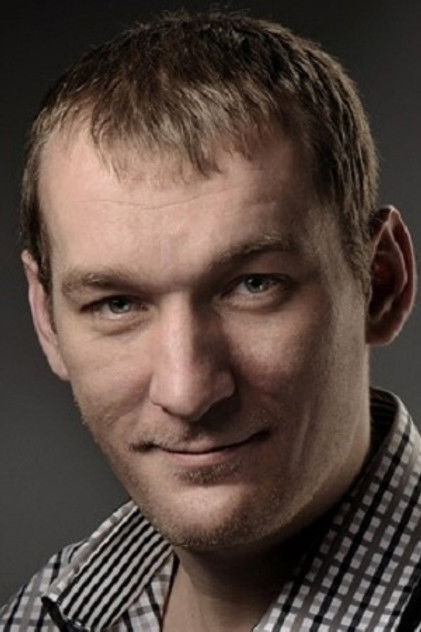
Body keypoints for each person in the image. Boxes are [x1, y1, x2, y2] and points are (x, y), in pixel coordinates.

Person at [1, 10, 419, 632]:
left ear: (381, 283)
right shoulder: (38, 613)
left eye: (254, 285)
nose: (187, 393)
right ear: (47, 319)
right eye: (117, 304)